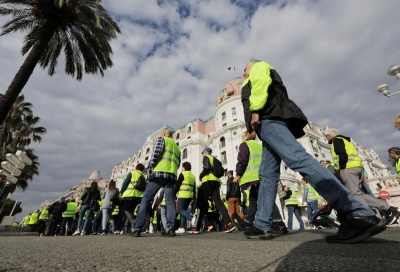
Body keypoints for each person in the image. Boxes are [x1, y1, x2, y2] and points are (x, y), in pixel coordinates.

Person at [240, 60, 386, 243]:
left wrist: (255, 111)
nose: (244, 74)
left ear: (252, 66)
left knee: (298, 159)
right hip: (267, 124)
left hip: (268, 119)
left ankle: (358, 212)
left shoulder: (259, 66)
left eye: (245, 70)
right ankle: (261, 224)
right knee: (267, 174)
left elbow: (261, 84)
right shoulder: (258, 72)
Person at [326, 128, 398, 226]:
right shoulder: (347, 142)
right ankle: (388, 209)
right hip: (357, 168)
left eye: (327, 136)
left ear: (330, 135)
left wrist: (342, 168)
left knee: (355, 195)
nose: (327, 138)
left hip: (348, 169)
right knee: (359, 195)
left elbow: (342, 154)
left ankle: (368, 218)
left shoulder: (336, 140)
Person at [233, 130, 287, 234]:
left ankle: (278, 222)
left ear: (246, 136)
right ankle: (248, 222)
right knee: (253, 199)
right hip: (261, 175)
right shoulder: (259, 145)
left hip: (253, 177)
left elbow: (242, 160)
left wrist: (238, 175)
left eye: (242, 135)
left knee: (265, 198)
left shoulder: (245, 144)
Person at [132, 128, 181, 237]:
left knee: (146, 199)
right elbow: (178, 163)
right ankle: (170, 228)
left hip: (159, 174)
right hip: (171, 176)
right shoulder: (177, 147)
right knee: (170, 201)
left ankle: (137, 227)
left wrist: (150, 169)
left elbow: (155, 155)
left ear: (164, 133)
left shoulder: (161, 139)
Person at [194, 147, 235, 233]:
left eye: (203, 153)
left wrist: (201, 175)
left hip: (207, 181)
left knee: (201, 203)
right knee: (219, 202)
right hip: (216, 182)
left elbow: (207, 167)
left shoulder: (206, 157)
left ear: (205, 152)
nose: (203, 154)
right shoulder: (216, 160)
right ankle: (228, 223)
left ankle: (196, 227)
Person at [120, 163, 146, 234]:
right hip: (139, 196)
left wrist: (121, 192)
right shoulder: (144, 176)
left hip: (130, 195)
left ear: (136, 167)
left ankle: (133, 223)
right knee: (131, 211)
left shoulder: (132, 173)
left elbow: (125, 183)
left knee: (126, 210)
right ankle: (128, 228)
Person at [174, 162, 198, 234]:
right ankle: (181, 228)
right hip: (190, 196)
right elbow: (194, 187)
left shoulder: (183, 174)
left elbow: (178, 185)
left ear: (184, 167)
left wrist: (173, 193)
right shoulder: (192, 176)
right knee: (184, 211)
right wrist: (194, 197)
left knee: (180, 210)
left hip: (183, 195)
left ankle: (192, 218)